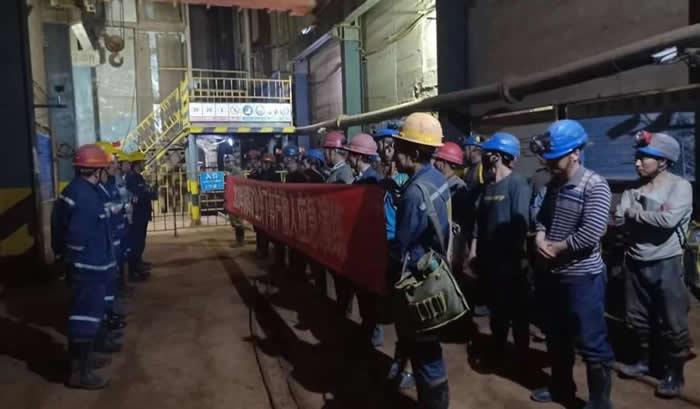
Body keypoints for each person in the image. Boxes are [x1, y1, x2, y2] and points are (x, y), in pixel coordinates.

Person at [529, 120, 614, 409]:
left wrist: (557, 248)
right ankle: (561, 387)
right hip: (553, 274)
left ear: (576, 153)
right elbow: (542, 218)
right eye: (548, 158)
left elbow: (592, 232)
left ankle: (600, 402)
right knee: (556, 336)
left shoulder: (595, 185)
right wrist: (540, 237)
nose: (550, 163)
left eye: (556, 158)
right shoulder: (553, 184)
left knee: (592, 341)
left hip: (583, 278)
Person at [614, 131, 692, 398]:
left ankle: (674, 373)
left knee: (673, 321)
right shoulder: (633, 189)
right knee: (636, 318)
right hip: (635, 262)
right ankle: (644, 361)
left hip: (666, 262)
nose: (637, 162)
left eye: (644, 157)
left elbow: (667, 221)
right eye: (637, 157)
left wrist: (634, 213)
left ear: (663, 161)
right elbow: (619, 219)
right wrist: (643, 214)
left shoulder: (680, 186)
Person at [391, 112, 451, 409]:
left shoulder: (414, 192)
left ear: (415, 152)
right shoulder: (437, 178)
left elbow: (401, 243)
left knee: (425, 351)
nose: (394, 154)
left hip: (417, 279)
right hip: (436, 270)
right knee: (425, 344)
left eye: (400, 147)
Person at [51, 144, 115, 389]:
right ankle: (80, 373)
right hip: (88, 267)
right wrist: (74, 263)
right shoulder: (86, 197)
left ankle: (83, 362)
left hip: (87, 265)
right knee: (84, 317)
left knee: (84, 315)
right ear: (97, 171)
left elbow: (60, 228)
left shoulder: (77, 190)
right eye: (104, 168)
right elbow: (77, 237)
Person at [467, 133, 531, 369]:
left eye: (487, 153)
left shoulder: (517, 183)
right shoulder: (488, 186)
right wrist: (474, 251)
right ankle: (498, 351)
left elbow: (521, 224)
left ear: (498, 156)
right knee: (497, 313)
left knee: (519, 314)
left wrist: (509, 260)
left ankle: (522, 358)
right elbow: (479, 223)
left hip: (512, 264)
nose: (483, 156)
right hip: (490, 263)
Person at [461, 134, 488, 317]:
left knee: (479, 264)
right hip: (469, 224)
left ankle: (483, 301)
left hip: (478, 224)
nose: (464, 152)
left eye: (466, 148)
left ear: (473, 149)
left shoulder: (481, 170)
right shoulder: (467, 170)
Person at [432, 141, 469, 273]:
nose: (435, 163)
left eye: (438, 160)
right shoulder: (441, 184)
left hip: (452, 245)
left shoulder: (458, 187)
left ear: (444, 163)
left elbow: (461, 224)